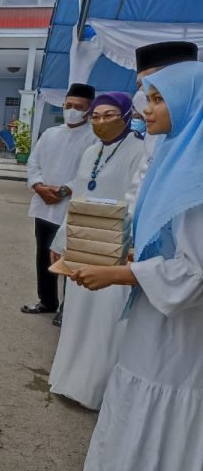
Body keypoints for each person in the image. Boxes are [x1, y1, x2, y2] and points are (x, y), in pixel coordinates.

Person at [72, 62, 203, 471]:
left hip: (177, 334)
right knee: (134, 402)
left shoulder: (195, 180)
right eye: (148, 97)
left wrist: (119, 274)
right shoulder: (175, 158)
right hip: (154, 318)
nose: (147, 108)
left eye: (160, 99)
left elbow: (195, 273)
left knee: (159, 414)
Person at [47, 92, 144, 410]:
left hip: (112, 249)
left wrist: (121, 242)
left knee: (105, 320)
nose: (101, 121)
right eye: (97, 116)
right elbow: (75, 200)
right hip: (82, 245)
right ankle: (68, 379)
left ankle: (95, 390)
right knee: (77, 314)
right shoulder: (90, 152)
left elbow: (134, 201)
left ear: (127, 116)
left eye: (109, 115)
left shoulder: (139, 151)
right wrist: (61, 241)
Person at [21, 83, 97, 326]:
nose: (72, 110)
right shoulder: (51, 134)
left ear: (88, 109)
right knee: (43, 256)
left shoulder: (95, 137)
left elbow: (90, 173)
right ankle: (47, 301)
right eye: (68, 105)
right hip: (44, 206)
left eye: (78, 107)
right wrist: (39, 186)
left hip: (70, 208)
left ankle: (67, 308)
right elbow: (33, 163)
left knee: (68, 259)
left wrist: (65, 189)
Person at [125, 41, 198, 215]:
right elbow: (142, 181)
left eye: (157, 96)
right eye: (140, 86)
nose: (143, 93)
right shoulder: (155, 132)